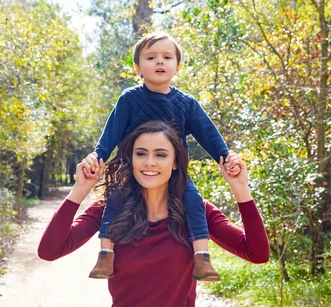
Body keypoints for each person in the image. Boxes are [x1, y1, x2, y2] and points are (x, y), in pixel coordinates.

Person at [38, 121, 269, 307]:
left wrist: (240, 188)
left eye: (161, 154)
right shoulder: (110, 210)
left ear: (175, 162)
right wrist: (80, 189)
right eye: (141, 153)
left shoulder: (195, 212)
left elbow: (256, 253)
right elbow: (50, 250)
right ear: (130, 158)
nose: (150, 162)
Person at [84, 31, 240, 282]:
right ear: (138, 68)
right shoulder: (130, 99)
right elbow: (110, 133)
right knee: (114, 197)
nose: (159, 62)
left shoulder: (186, 103)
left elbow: (207, 133)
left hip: (173, 174)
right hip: (132, 170)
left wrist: (225, 155)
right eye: (151, 57)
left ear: (177, 67)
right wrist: (98, 156)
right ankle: (105, 255)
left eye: (167, 57)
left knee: (193, 200)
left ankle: (202, 258)